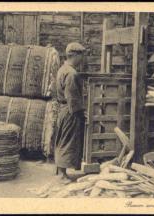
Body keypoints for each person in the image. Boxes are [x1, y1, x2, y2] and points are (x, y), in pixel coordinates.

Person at [54, 42, 86, 182]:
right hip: (70, 111)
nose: (82, 59)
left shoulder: (63, 69)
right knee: (68, 140)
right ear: (75, 55)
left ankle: (62, 172)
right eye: (81, 55)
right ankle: (62, 175)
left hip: (63, 109)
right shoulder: (72, 73)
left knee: (63, 139)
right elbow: (72, 97)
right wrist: (80, 112)